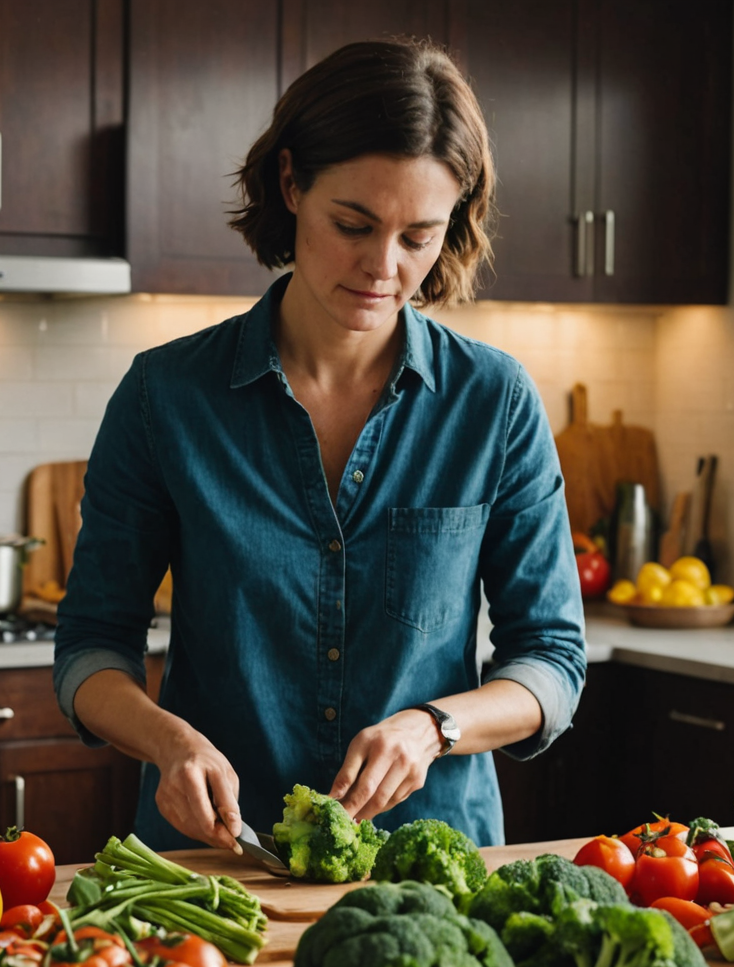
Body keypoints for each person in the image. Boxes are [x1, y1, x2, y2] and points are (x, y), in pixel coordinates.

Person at [51, 40, 585, 854]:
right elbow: (91, 648)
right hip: (215, 866)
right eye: (354, 224)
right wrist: (168, 741)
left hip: (427, 869)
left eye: (419, 236)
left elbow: (550, 661)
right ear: (292, 184)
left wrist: (433, 728)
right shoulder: (166, 398)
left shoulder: (494, 401)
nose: (383, 267)